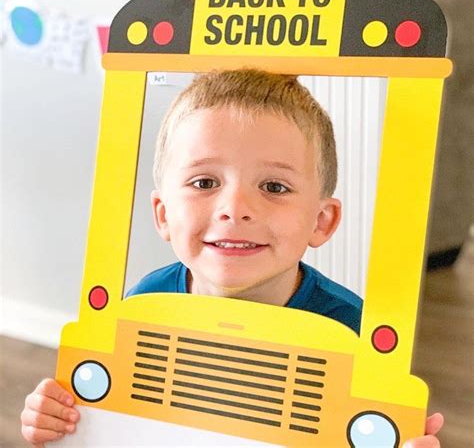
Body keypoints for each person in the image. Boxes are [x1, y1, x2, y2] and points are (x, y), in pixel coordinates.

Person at [21, 69, 444, 447]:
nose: (235, 207)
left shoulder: (353, 334)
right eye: (205, 181)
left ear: (321, 220)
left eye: (274, 187)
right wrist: (56, 418)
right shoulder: (144, 307)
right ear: (164, 215)